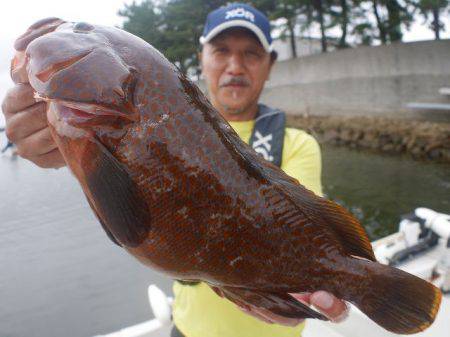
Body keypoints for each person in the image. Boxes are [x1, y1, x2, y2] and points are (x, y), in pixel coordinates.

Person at [1, 3, 348, 337]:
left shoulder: (298, 143)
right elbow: (123, 194)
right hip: (189, 329)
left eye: (252, 54)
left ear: (270, 65)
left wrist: (322, 278)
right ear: (202, 58)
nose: (235, 66)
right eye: (222, 50)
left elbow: (309, 228)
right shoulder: (148, 116)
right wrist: (70, 146)